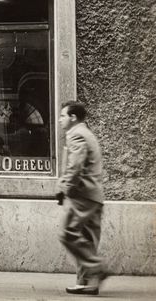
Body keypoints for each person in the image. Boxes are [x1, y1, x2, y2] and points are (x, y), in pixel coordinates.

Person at [57, 101, 108, 295]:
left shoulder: (76, 134)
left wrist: (66, 188)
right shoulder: (88, 133)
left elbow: (75, 166)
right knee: (87, 239)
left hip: (83, 195)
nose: (60, 119)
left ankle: (98, 268)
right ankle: (88, 283)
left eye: (63, 115)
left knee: (68, 233)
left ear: (73, 117)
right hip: (95, 195)